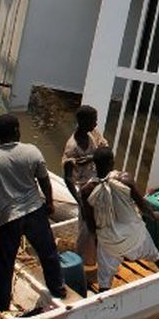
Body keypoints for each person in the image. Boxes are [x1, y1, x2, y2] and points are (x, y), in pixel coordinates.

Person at [0, 114, 65, 311]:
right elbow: (44, 180)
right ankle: (58, 289)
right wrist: (49, 203)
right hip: (34, 212)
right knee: (48, 253)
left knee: (4, 265)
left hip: (6, 219)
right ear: (17, 130)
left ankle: (2, 305)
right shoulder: (31, 152)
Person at [80, 147, 159, 290]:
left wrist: (99, 242)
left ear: (94, 164)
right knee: (156, 256)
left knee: (104, 281)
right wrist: (155, 215)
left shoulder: (86, 191)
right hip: (134, 237)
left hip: (110, 243)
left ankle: (104, 304)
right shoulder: (126, 179)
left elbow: (91, 223)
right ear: (112, 162)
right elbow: (144, 207)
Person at [62, 105, 108, 266]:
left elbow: (104, 150)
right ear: (82, 121)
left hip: (98, 182)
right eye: (93, 121)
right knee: (87, 227)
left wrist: (92, 158)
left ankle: (99, 254)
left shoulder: (93, 134)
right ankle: (85, 261)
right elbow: (68, 178)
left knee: (101, 222)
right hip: (84, 189)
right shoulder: (72, 148)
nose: (95, 125)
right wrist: (79, 201)